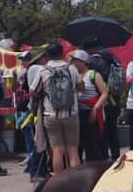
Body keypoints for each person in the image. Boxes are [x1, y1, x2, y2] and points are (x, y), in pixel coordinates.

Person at [28, 43, 82, 175]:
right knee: (73, 150)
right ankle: (75, 180)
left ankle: (59, 181)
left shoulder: (43, 70)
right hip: (71, 114)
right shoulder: (72, 69)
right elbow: (81, 86)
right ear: (62, 53)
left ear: (47, 55)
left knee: (57, 150)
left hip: (50, 115)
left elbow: (32, 91)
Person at [73, 50, 109, 161]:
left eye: (76, 61)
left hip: (91, 110)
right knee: (78, 143)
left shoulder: (94, 75)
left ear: (83, 62)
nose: (73, 63)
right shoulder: (74, 75)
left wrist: (95, 108)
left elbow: (104, 93)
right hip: (78, 111)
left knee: (92, 143)